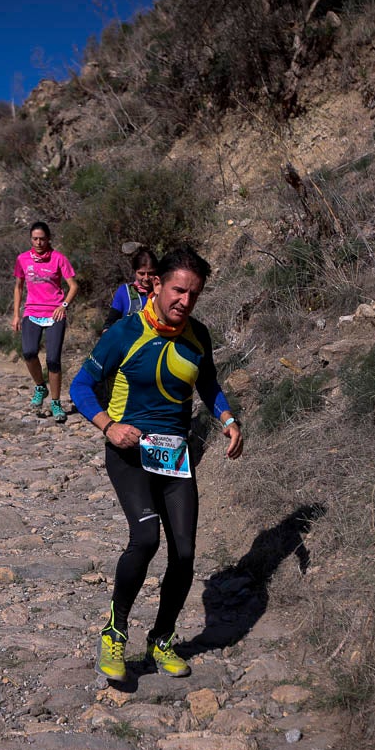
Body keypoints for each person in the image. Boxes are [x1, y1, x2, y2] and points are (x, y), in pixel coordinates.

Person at [70, 247, 243, 681]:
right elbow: (80, 385)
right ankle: (113, 632)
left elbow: (207, 381)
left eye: (194, 294)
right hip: (128, 451)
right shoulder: (125, 332)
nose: (184, 301)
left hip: (173, 455)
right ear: (157, 285)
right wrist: (108, 426)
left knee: (184, 553)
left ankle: (162, 639)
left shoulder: (197, 335)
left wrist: (227, 418)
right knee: (146, 538)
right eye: (179, 290)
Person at [12, 221, 78, 422]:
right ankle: (40, 386)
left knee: (52, 360)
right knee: (29, 352)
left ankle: (56, 403)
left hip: (55, 313)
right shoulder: (22, 259)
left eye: (42, 238)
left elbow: (73, 286)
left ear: (48, 239)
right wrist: (16, 314)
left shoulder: (59, 258)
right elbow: (18, 287)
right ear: (30, 239)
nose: (39, 242)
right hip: (32, 311)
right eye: (35, 239)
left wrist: (63, 306)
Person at [102, 247, 157, 333]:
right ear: (135, 271)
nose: (146, 278)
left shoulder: (161, 293)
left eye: (150, 273)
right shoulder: (124, 292)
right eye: (141, 273)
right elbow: (110, 322)